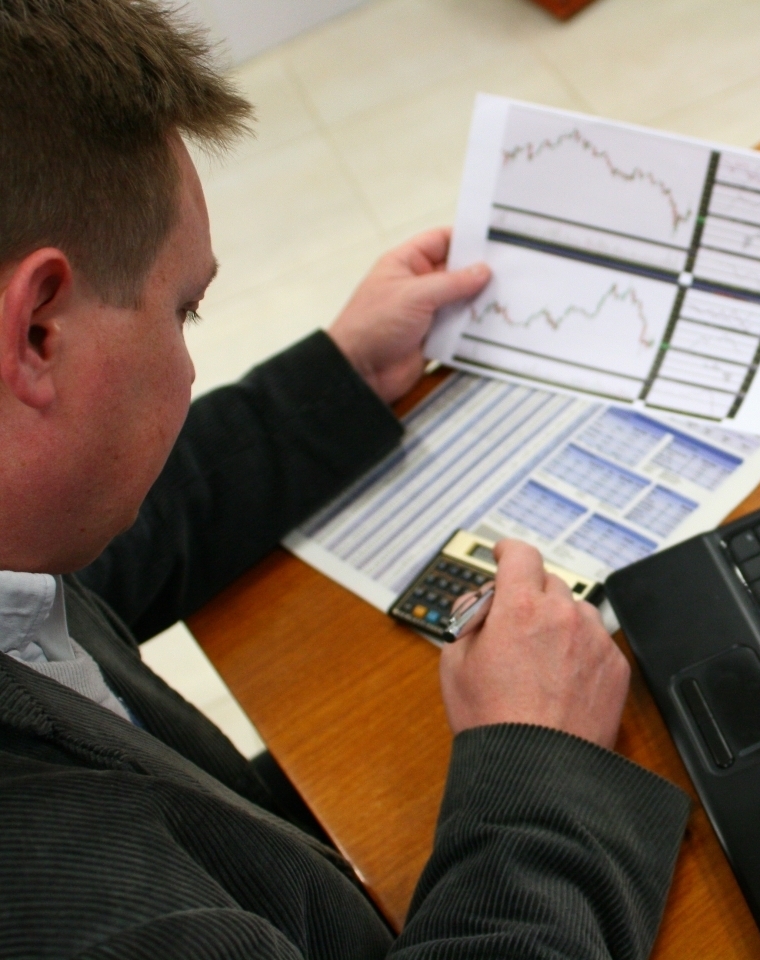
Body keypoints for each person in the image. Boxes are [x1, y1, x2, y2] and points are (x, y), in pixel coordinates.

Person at [0, 1, 691, 957]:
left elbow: (99, 553)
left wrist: (339, 378)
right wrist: (542, 768)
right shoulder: (88, 916)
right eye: (183, 310)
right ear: (38, 331)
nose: (188, 361)